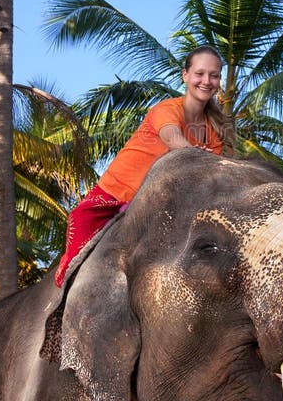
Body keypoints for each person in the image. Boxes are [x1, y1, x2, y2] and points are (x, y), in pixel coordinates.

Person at [55, 45, 233, 286]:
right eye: (200, 73)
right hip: (113, 197)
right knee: (74, 262)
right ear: (186, 75)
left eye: (214, 75)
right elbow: (171, 137)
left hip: (162, 204)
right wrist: (192, 153)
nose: (207, 81)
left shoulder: (213, 131)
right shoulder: (167, 109)